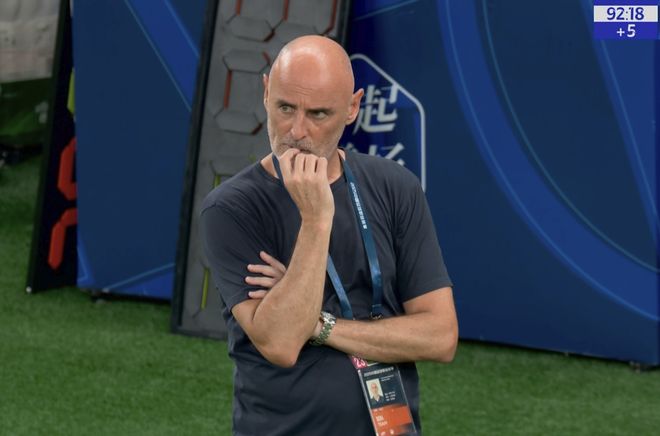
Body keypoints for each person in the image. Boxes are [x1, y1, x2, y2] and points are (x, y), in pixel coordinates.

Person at [201, 35, 458, 436]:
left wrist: (321, 325)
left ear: (353, 108)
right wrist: (317, 219)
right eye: (285, 108)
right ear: (266, 92)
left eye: (318, 113)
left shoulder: (395, 186)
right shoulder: (231, 208)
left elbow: (440, 337)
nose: (296, 131)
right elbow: (281, 343)